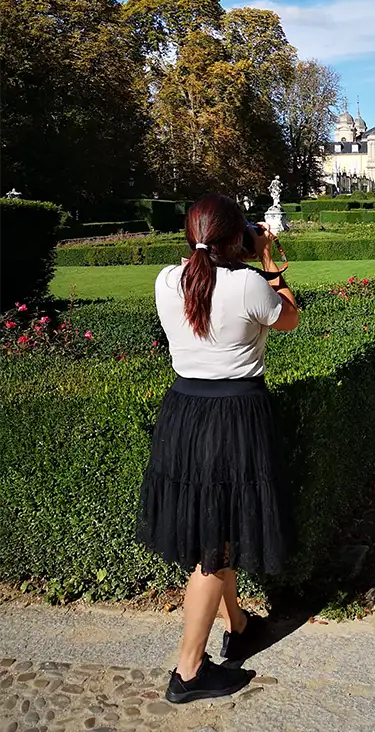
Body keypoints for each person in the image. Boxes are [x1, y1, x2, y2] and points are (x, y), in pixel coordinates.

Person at [136, 193, 299, 704]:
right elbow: (288, 318)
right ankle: (188, 672)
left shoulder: (167, 279)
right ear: (237, 237)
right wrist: (269, 259)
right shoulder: (248, 282)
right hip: (235, 415)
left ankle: (239, 622)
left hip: (184, 412)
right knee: (215, 546)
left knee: (216, 525)